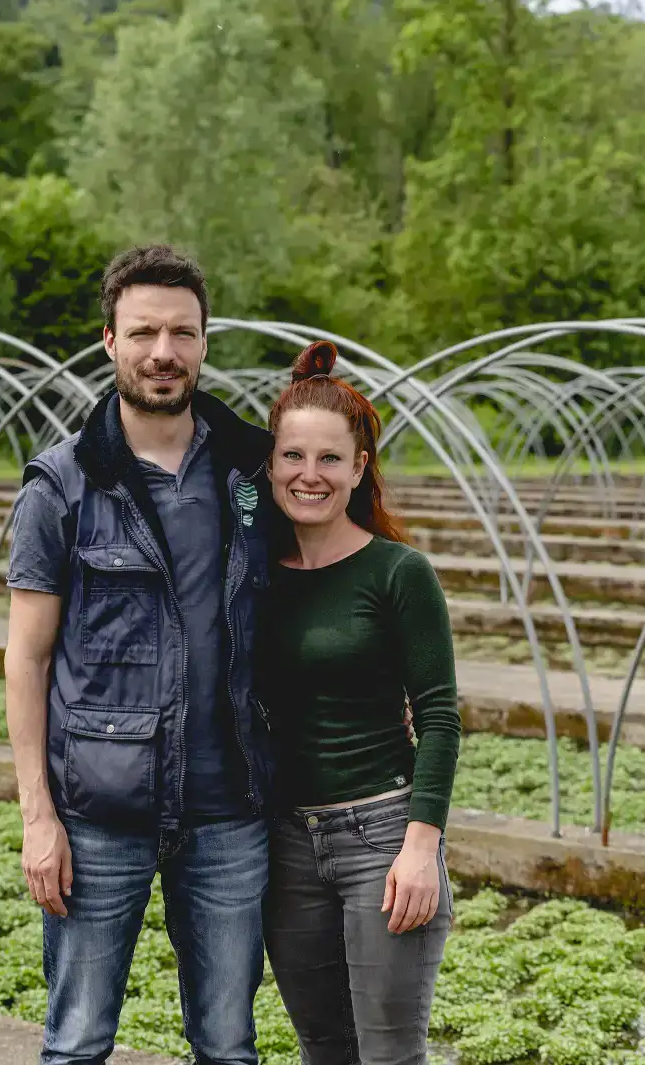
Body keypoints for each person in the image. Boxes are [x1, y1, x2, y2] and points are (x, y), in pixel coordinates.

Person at [4, 244, 274, 1065]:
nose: (164, 351)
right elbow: (26, 658)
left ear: (203, 341)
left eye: (182, 333)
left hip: (229, 809)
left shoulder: (250, 469)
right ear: (109, 341)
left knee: (228, 1043)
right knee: (78, 1039)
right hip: (99, 815)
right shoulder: (61, 485)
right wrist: (38, 817)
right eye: (145, 331)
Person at [260, 340, 461, 1065]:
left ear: (358, 467)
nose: (308, 475)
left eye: (329, 459)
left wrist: (420, 848)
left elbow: (438, 715)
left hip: (380, 834)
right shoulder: (249, 571)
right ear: (269, 463)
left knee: (387, 1054)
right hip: (283, 843)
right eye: (291, 456)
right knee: (323, 1049)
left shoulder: (397, 572)